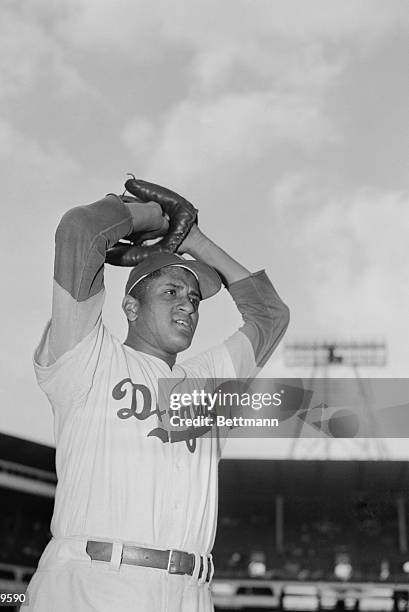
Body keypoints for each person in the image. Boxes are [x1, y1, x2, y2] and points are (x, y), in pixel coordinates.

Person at [25, 189, 289, 611]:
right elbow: (80, 230)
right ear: (130, 305)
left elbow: (270, 314)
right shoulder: (87, 355)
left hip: (191, 594)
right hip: (92, 585)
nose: (188, 303)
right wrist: (154, 218)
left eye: (194, 298)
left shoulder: (208, 381)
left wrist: (193, 240)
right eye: (171, 292)